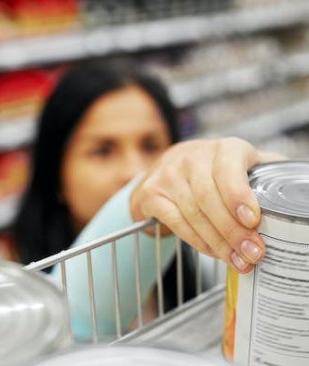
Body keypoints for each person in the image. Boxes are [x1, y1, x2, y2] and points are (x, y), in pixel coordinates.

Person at [14, 62, 278, 340]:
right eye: (103, 151)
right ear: (54, 172)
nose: (134, 171)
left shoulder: (203, 273)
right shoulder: (20, 303)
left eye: (151, 146)